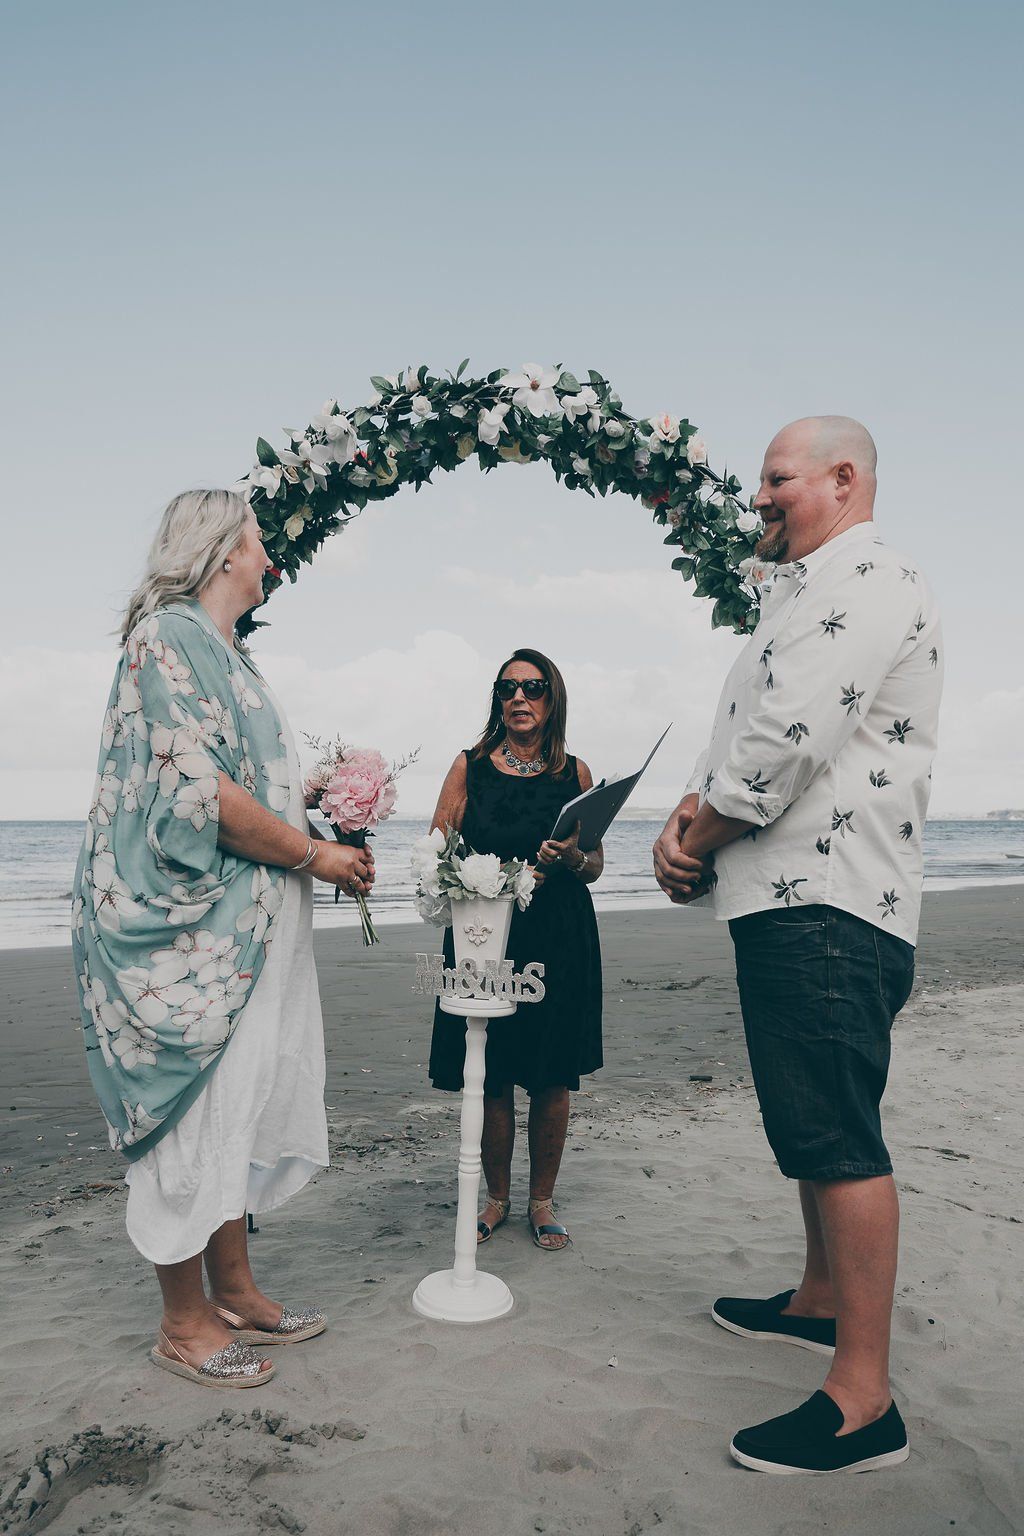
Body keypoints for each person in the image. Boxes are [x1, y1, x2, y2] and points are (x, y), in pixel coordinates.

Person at [654, 417, 942, 1474]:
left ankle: (863, 1402)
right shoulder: (805, 592)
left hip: (828, 897)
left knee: (835, 1133)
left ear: (842, 478)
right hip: (789, 894)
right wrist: (686, 816)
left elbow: (786, 746)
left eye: (774, 480)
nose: (759, 498)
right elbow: (745, 730)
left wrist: (697, 832)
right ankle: (818, 1299)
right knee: (808, 1118)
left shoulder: (866, 579)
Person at [72, 489, 374, 1389]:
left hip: (249, 925)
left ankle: (234, 1287)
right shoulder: (167, 637)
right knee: (192, 1111)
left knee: (236, 1103)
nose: (269, 561)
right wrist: (317, 852)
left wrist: (315, 793)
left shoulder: (227, 653)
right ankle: (181, 1319)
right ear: (217, 551)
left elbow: (241, 779)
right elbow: (196, 794)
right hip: (187, 933)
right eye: (257, 544)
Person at [427, 649, 604, 1251]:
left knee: (553, 1075)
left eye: (532, 688)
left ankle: (542, 1200)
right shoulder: (469, 766)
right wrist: (467, 877)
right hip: (487, 936)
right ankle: (498, 1197)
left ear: (552, 699)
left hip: (559, 935)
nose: (519, 698)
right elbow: (437, 849)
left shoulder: (575, 773)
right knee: (492, 1069)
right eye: (508, 688)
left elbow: (596, 864)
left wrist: (571, 858)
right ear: (497, 699)